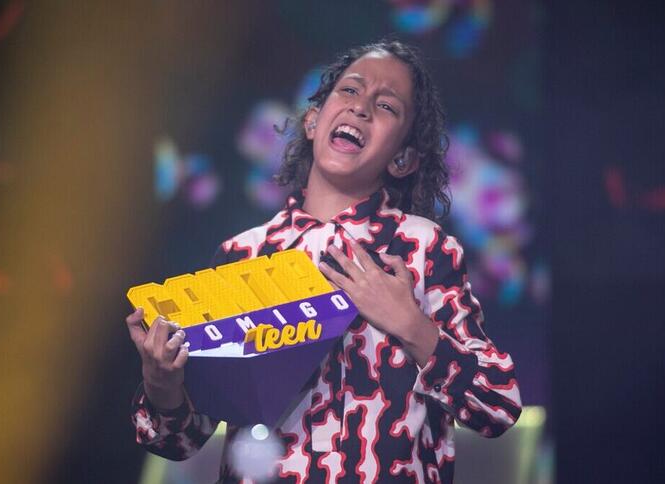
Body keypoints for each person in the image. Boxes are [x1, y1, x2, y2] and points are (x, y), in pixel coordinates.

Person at [125, 40, 522, 483]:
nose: (361, 108)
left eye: (386, 106)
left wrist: (410, 325)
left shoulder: (424, 248)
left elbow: (497, 404)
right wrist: (162, 384)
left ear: (404, 159)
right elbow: (179, 440)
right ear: (313, 121)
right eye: (350, 91)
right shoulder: (243, 254)